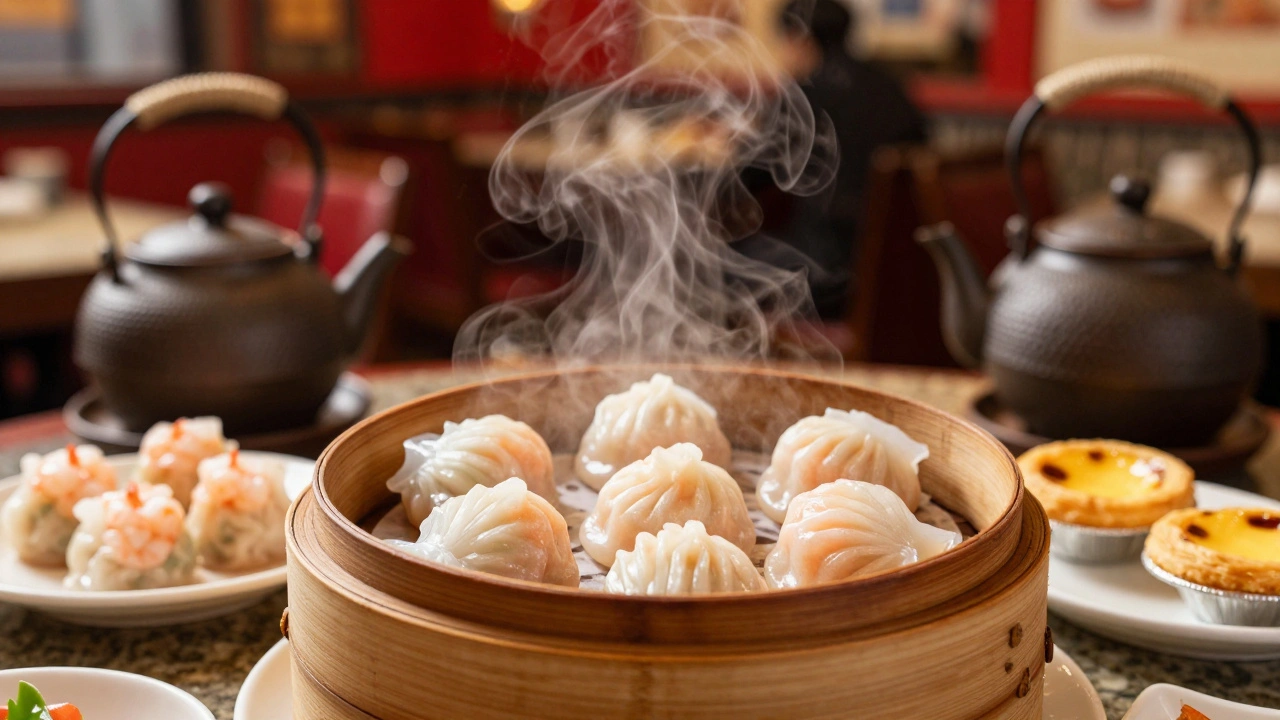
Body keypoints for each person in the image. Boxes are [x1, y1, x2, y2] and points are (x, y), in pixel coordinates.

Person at [777, 0, 928, 318]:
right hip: (897, 269)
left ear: (799, 38)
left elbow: (748, 171)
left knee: (717, 264)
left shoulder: (807, 94)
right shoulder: (889, 86)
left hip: (826, 272)